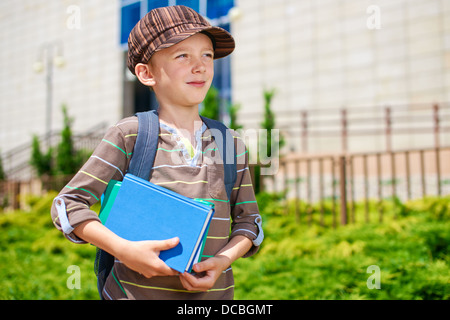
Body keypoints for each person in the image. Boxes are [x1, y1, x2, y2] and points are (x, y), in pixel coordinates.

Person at [50, 5, 263, 300]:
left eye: (207, 55)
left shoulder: (228, 141)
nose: (200, 66)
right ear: (146, 73)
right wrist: (124, 250)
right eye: (182, 55)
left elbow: (249, 221)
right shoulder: (130, 134)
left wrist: (224, 260)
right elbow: (67, 204)